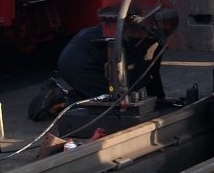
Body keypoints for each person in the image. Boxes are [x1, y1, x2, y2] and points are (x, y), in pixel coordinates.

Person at [28, 23, 165, 121]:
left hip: (73, 56)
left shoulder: (128, 23)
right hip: (80, 65)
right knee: (110, 99)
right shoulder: (146, 39)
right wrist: (159, 101)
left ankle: (59, 94)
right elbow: (149, 73)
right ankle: (62, 101)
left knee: (112, 88)